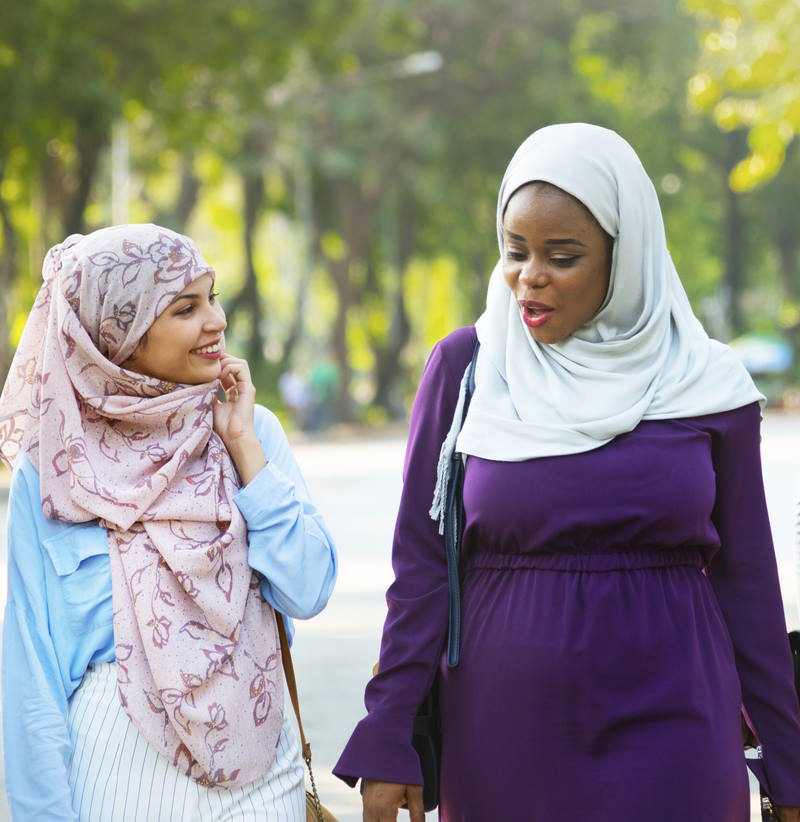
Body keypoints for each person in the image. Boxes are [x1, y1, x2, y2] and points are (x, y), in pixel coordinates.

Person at [333, 123, 800, 821]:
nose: (530, 276)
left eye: (564, 255)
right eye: (514, 251)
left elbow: (749, 584)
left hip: (679, 722)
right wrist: (388, 729)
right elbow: (424, 568)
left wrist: (789, 765)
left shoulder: (709, 384)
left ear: (626, 254)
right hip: (503, 729)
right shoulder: (468, 369)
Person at [0, 224, 337, 821]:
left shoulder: (251, 434)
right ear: (117, 335)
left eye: (213, 296)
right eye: (187, 307)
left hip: (262, 775)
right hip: (115, 783)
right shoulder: (54, 469)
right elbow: (32, 676)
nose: (217, 321)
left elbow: (307, 591)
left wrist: (244, 452)